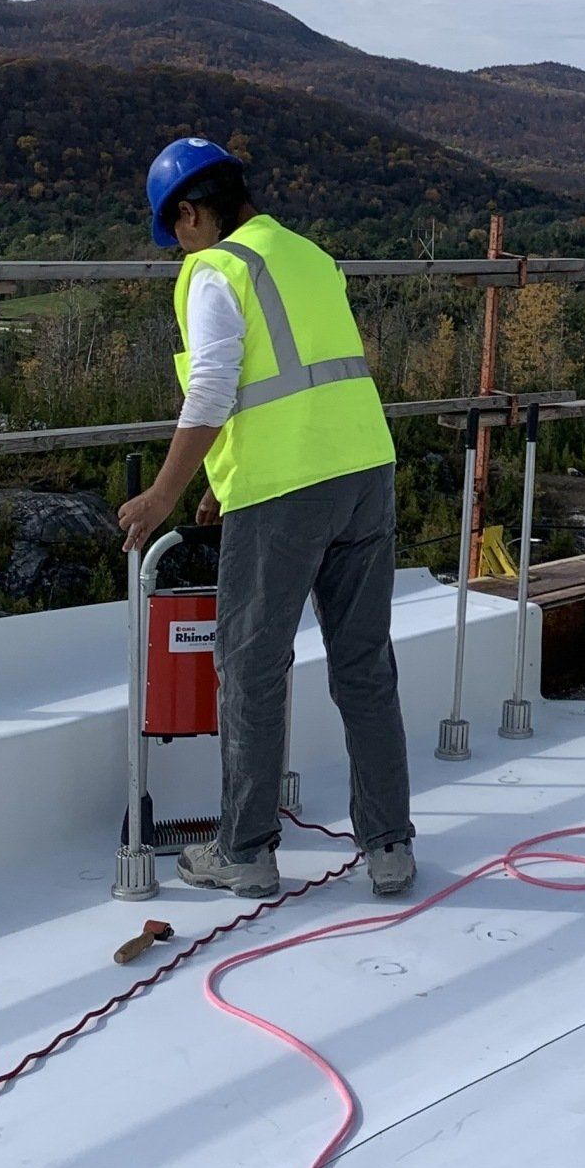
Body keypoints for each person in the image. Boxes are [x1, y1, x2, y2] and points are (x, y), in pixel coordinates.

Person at [116, 137, 415, 900]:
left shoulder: (214, 269)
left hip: (286, 490)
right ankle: (389, 847)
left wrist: (164, 495)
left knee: (250, 668)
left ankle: (245, 851)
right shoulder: (308, 255)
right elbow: (293, 377)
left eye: (174, 229)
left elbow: (214, 388)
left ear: (191, 214)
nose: (175, 245)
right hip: (365, 470)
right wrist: (223, 478)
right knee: (364, 665)